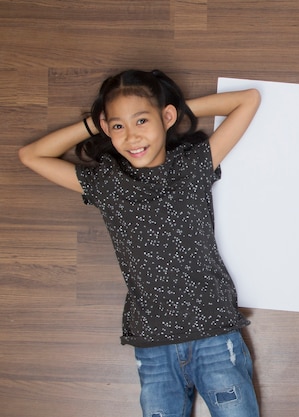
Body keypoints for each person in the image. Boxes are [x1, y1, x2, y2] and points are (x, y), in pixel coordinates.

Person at [19, 69, 262, 417]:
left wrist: (168, 111)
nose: (131, 136)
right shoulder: (109, 184)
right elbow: (31, 156)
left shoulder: (192, 167)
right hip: (153, 345)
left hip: (213, 334)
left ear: (166, 116)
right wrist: (97, 123)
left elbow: (248, 99)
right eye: (118, 126)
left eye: (142, 120)